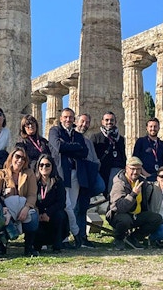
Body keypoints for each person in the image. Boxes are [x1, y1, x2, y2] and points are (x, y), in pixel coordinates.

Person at [48, 107, 88, 246]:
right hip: (61, 173)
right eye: (65, 117)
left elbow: (84, 152)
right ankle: (76, 234)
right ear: (60, 118)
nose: (68, 120)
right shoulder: (54, 131)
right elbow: (58, 147)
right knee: (66, 206)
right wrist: (75, 147)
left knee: (72, 205)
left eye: (71, 117)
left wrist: (68, 147)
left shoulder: (78, 135)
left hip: (76, 173)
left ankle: (63, 239)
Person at [107, 156, 163, 251]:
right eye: (132, 169)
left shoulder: (142, 181)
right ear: (126, 168)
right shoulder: (119, 183)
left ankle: (133, 238)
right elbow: (120, 208)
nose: (135, 172)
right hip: (118, 215)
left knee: (156, 218)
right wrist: (133, 194)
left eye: (138, 169)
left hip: (136, 214)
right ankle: (119, 239)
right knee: (125, 220)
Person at [0, 147, 39, 256]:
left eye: (23, 158)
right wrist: (5, 194)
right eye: (17, 157)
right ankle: (1, 243)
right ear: (11, 157)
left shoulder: (29, 173)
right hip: (6, 208)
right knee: (1, 217)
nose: (20, 160)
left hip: (23, 207)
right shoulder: (1, 173)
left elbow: (32, 194)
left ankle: (29, 246)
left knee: (33, 217)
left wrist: (26, 208)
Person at [73, 113, 103, 249]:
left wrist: (95, 167)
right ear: (76, 122)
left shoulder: (88, 141)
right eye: (82, 122)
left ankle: (81, 236)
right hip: (76, 176)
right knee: (78, 207)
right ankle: (78, 236)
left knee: (99, 187)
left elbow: (95, 158)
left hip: (88, 175)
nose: (84, 125)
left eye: (87, 122)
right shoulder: (70, 138)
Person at [32, 154, 68, 253]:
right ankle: (36, 245)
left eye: (47, 165)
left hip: (52, 215)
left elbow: (61, 202)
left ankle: (57, 245)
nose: (44, 167)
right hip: (38, 214)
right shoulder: (34, 182)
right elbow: (31, 199)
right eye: (41, 165)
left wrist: (48, 213)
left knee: (60, 215)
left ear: (52, 167)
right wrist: (39, 213)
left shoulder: (58, 182)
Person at [91, 111, 127, 195]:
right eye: (107, 120)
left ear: (115, 121)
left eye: (111, 120)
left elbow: (123, 155)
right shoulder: (96, 137)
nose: (109, 122)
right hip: (102, 170)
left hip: (117, 169)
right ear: (102, 122)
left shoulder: (120, 138)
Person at [132, 118, 163, 182]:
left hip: (159, 178)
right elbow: (135, 159)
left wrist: (162, 175)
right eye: (151, 126)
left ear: (159, 128)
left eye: (155, 126)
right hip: (144, 177)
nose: (153, 129)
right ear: (147, 128)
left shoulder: (162, 144)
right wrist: (146, 174)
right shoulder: (141, 141)